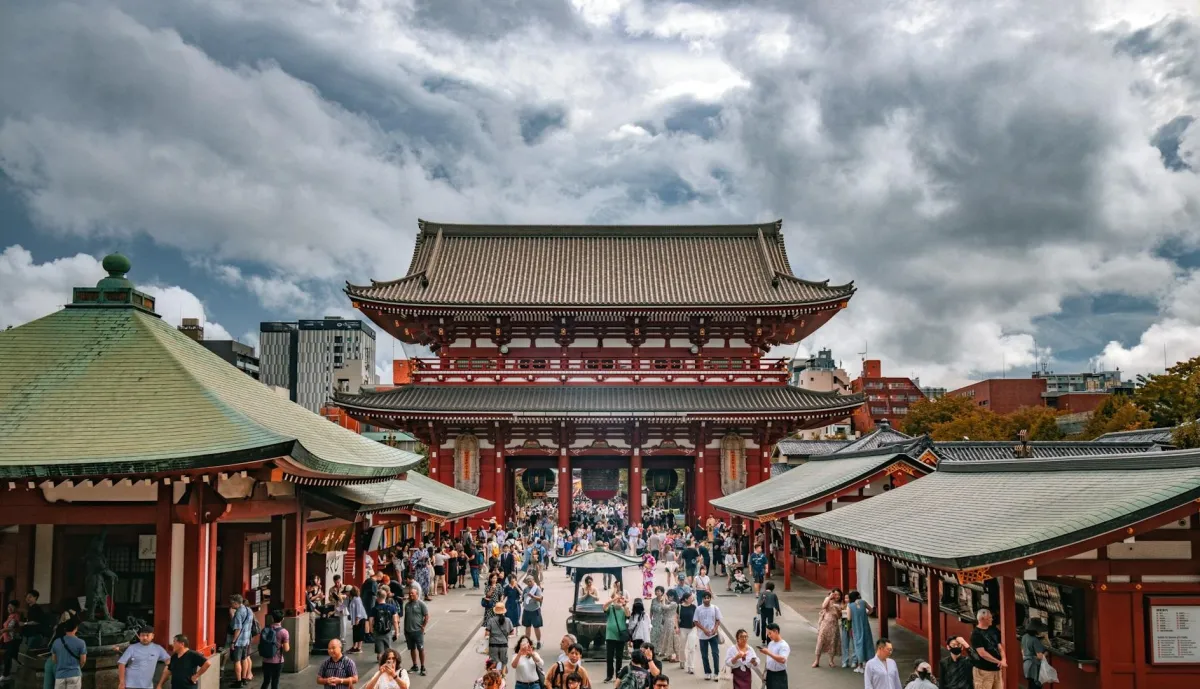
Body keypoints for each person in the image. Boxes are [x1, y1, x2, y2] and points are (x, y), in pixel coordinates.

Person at [971, 609, 1005, 689]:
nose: (992, 619)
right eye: (989, 618)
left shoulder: (993, 630)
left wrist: (1003, 659)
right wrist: (999, 662)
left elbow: (999, 646)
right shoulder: (976, 634)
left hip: (996, 669)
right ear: (982, 619)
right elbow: (982, 653)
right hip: (983, 670)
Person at [50, 616, 87, 689]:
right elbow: (83, 660)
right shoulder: (81, 643)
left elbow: (54, 660)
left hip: (60, 675)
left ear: (65, 629)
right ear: (76, 628)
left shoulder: (56, 642)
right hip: (74, 674)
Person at [692, 592, 722, 681]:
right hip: (702, 636)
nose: (706, 599)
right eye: (705, 598)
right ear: (702, 599)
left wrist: (715, 629)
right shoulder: (698, 609)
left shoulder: (715, 608)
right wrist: (704, 630)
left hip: (713, 635)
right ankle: (707, 672)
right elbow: (696, 621)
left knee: (715, 654)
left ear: (710, 599)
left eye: (708, 598)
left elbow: (718, 620)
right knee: (704, 655)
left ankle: (716, 673)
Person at [603, 587, 630, 683]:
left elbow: (628, 615)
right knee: (609, 657)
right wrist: (614, 599)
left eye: (620, 598)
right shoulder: (610, 608)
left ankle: (618, 675)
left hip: (620, 637)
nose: (618, 600)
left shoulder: (624, 609)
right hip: (610, 636)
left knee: (619, 657)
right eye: (617, 598)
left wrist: (624, 604)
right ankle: (609, 675)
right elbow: (604, 606)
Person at [227, 594, 254, 688]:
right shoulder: (249, 610)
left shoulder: (238, 612)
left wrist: (233, 642)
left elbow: (237, 628)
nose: (230, 605)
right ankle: (244, 679)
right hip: (246, 640)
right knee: (244, 659)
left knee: (237, 661)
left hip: (239, 641)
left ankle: (238, 681)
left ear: (235, 603)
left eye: (231, 603)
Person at [401, 586, 429, 676]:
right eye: (410, 593)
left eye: (412, 593)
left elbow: (427, 616)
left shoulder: (421, 604)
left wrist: (423, 626)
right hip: (409, 631)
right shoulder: (407, 605)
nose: (410, 595)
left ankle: (423, 667)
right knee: (412, 649)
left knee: (420, 649)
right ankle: (415, 665)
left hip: (418, 631)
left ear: (417, 594)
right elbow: (406, 618)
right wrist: (405, 630)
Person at [258, 613, 290, 689]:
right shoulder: (284, 632)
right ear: (282, 619)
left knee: (266, 681)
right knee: (275, 682)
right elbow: (286, 648)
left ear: (272, 618)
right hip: (278, 661)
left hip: (265, 660)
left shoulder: (265, 630)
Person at [813, 588, 842, 667]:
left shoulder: (840, 604)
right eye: (835, 594)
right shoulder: (828, 599)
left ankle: (831, 661)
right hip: (825, 623)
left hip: (834, 624)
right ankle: (817, 660)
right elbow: (823, 606)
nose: (837, 596)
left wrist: (838, 611)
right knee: (820, 641)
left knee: (832, 642)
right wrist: (829, 597)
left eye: (839, 595)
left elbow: (839, 617)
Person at [649, 588, 679, 663]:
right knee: (667, 638)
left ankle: (672, 655)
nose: (668, 597)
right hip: (667, 622)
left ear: (672, 596)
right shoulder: (671, 602)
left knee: (670, 639)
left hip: (670, 622)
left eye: (669, 596)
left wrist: (663, 601)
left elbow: (664, 607)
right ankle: (669, 655)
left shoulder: (674, 603)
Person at [847, 591, 874, 674]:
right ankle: (869, 664)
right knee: (868, 643)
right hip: (865, 626)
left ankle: (860, 666)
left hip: (856, 627)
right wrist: (866, 614)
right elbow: (871, 610)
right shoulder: (863, 602)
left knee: (858, 645)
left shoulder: (850, 606)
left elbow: (849, 618)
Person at [486, 601, 515, 675]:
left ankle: (494, 678)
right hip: (504, 645)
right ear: (503, 611)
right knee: (504, 662)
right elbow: (512, 633)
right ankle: (502, 677)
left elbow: (487, 633)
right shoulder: (508, 620)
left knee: (494, 662)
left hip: (493, 645)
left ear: (495, 611)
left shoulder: (491, 620)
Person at [757, 623, 789, 689]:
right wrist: (765, 671)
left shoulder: (783, 645)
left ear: (776, 632)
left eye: (770, 633)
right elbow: (768, 660)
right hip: (769, 673)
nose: (769, 636)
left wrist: (769, 653)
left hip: (779, 675)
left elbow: (783, 660)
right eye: (767, 634)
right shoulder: (771, 643)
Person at [1021, 619, 1048, 689]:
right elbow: (1040, 657)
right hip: (1034, 667)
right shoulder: (1035, 640)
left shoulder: (1024, 636)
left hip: (1026, 665)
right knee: (1036, 686)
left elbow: (1022, 651)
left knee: (1030, 684)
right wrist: (1046, 653)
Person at [676, 592, 698, 674]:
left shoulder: (694, 607)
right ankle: (682, 660)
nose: (692, 598)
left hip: (692, 629)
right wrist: (677, 627)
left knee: (691, 648)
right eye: (691, 597)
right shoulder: (679, 607)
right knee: (682, 647)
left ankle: (690, 666)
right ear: (686, 599)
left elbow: (696, 618)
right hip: (682, 629)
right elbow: (676, 617)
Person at [520, 575, 544, 649]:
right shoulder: (526, 589)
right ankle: (528, 642)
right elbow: (523, 597)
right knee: (527, 627)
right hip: (527, 610)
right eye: (528, 581)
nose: (529, 583)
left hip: (535, 610)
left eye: (531, 581)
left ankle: (538, 641)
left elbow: (540, 599)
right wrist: (521, 600)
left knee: (536, 627)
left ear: (533, 580)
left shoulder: (537, 589)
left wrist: (532, 596)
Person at [2, 600, 23, 681]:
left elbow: (12, 627)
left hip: (12, 639)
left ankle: (6, 675)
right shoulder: (10, 616)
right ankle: (8, 673)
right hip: (6, 639)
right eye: (8, 606)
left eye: (11, 606)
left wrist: (3, 630)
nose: (9, 608)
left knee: (8, 657)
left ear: (16, 608)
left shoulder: (16, 616)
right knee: (7, 657)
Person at [346, 587, 367, 654]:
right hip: (356, 619)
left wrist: (357, 619)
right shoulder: (353, 599)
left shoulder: (357, 599)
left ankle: (359, 648)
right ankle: (354, 646)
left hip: (360, 618)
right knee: (355, 633)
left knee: (359, 633)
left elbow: (359, 609)